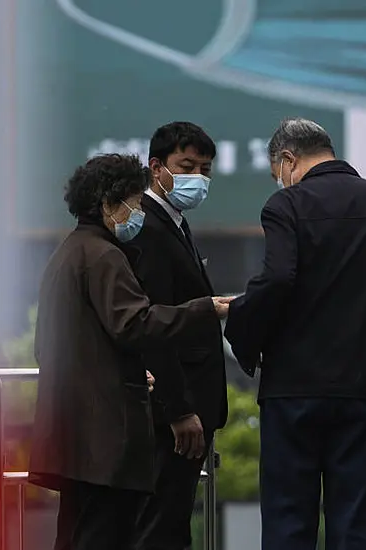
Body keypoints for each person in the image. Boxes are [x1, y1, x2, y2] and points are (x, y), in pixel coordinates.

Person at [224, 117, 366, 550]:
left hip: (293, 390)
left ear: (287, 160)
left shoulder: (287, 206)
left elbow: (278, 278)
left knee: (288, 519)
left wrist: (242, 329)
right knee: (356, 517)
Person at [28, 153, 228, 550]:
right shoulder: (104, 256)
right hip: (104, 440)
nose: (137, 212)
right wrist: (206, 309)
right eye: (134, 203)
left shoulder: (69, 252)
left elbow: (55, 345)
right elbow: (135, 323)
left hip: (74, 436)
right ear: (108, 202)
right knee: (105, 535)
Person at [122, 122, 230, 550]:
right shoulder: (147, 226)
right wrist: (177, 409)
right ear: (156, 167)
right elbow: (156, 325)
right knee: (160, 526)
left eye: (205, 169)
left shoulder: (175, 222)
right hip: (175, 413)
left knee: (174, 520)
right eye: (186, 166)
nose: (197, 178)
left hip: (192, 405)